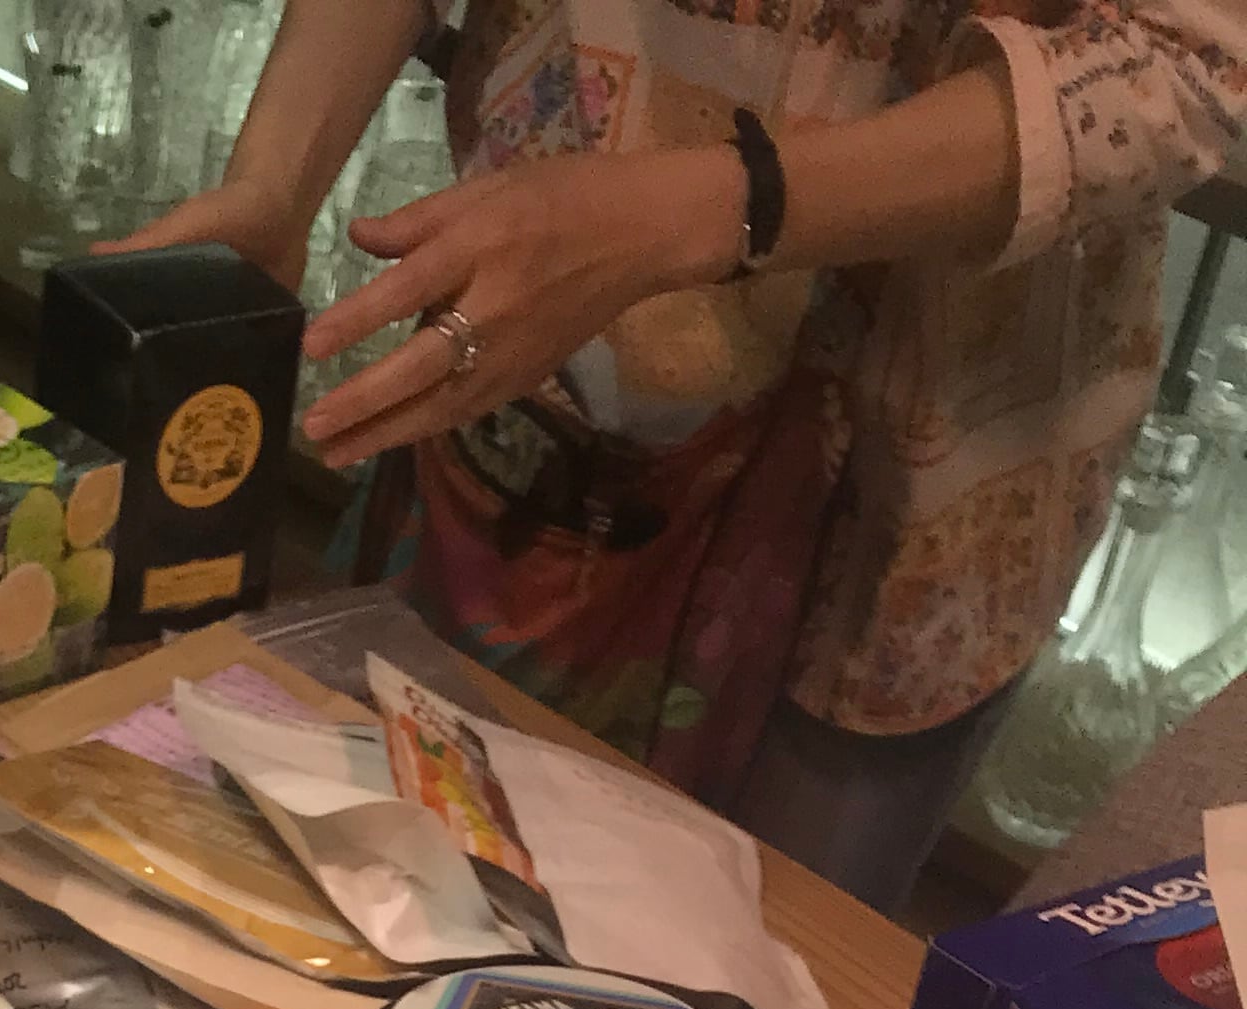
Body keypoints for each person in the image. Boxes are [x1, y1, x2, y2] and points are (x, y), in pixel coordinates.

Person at [115, 2, 1247, 912]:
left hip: (914, 479)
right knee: (360, 900)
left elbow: (1198, 61)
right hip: (521, 382)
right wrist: (276, 181)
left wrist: (703, 213)